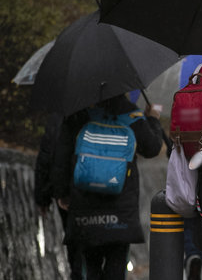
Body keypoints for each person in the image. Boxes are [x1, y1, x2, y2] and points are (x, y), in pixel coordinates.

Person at [52, 94, 164, 280]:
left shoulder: (79, 115)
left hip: (85, 203)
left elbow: (61, 156)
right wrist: (152, 119)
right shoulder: (130, 115)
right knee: (116, 265)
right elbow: (151, 148)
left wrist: (62, 193)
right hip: (120, 206)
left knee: (92, 266)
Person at [34, 112, 83, 279]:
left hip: (67, 196)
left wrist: (44, 197)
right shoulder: (103, 111)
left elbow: (47, 157)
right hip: (97, 191)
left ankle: (77, 274)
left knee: (75, 246)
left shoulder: (58, 117)